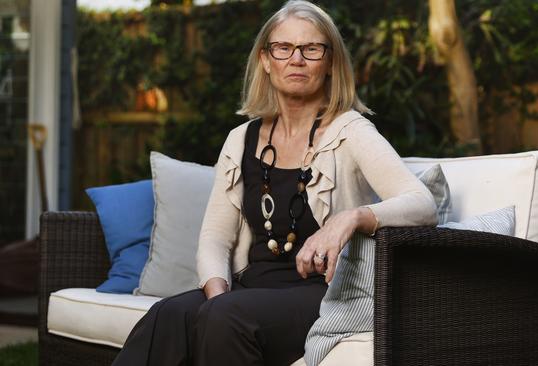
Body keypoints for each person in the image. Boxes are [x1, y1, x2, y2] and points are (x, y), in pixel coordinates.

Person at [112, 1, 436, 365]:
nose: (296, 59)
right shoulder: (241, 139)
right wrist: (217, 293)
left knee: (226, 317)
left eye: (312, 49)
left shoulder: (351, 131)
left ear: (330, 64)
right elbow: (215, 238)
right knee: (168, 315)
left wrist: (350, 219)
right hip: (251, 287)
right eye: (283, 48)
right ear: (266, 61)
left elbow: (422, 204)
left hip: (322, 294)